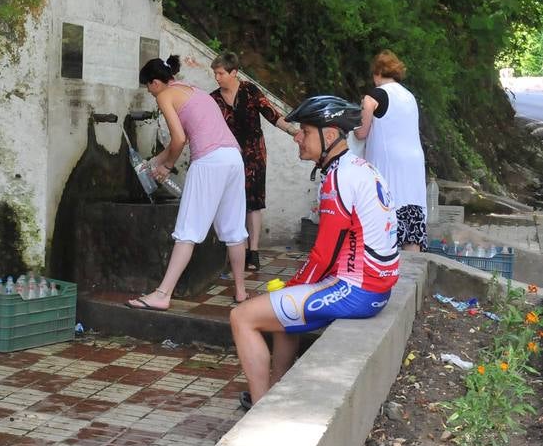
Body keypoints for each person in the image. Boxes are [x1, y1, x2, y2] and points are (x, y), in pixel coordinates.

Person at [230, 95, 399, 409]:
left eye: (306, 132)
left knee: (242, 317)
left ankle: (261, 408)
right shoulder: (359, 168)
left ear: (330, 135)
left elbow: (323, 253)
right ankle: (275, 392)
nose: (297, 137)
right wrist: (292, 287)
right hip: (375, 286)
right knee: (283, 303)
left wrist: (293, 286)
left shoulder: (339, 178)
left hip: (358, 290)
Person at [126, 55, 248, 311]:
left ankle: (162, 294)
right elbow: (184, 139)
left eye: (148, 87)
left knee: (187, 230)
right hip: (233, 158)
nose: (150, 93)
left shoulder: (165, 95)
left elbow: (179, 139)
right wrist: (155, 162)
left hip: (209, 162)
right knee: (234, 229)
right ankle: (240, 291)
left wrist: (167, 166)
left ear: (156, 82)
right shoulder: (193, 90)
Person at [210, 52, 298, 272]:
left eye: (220, 73)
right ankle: (238, 249)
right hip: (228, 156)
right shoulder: (214, 99)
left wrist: (293, 131)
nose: (217, 78)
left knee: (253, 203)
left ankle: (254, 251)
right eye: (215, 73)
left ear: (234, 72)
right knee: (231, 202)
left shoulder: (250, 90)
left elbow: (272, 114)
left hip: (254, 155)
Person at [354, 50, 427, 252]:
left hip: (389, 164)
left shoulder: (374, 95)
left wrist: (356, 126)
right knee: (411, 214)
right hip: (413, 163)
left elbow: (361, 132)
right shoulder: (409, 96)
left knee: (386, 211)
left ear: (377, 72)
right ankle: (413, 265)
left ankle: (383, 262)